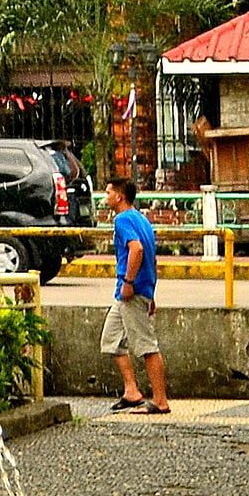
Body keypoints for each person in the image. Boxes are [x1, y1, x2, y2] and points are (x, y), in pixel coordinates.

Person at [101, 177, 169, 414]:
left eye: (108, 192)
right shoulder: (141, 218)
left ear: (119, 196)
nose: (105, 196)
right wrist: (151, 293)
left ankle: (160, 400)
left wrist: (130, 282)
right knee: (111, 340)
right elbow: (152, 257)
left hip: (132, 291)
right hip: (132, 291)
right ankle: (132, 391)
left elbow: (137, 249)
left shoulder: (123, 220)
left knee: (146, 346)